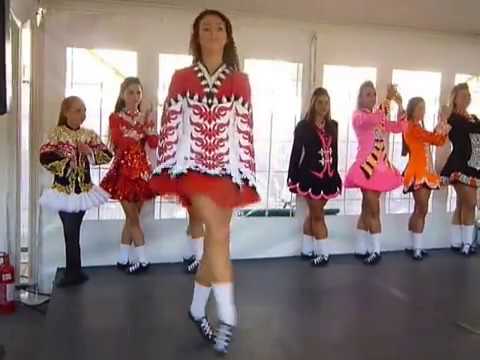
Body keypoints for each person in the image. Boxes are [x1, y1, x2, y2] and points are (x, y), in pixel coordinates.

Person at [149, 9, 259, 354]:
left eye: (219, 28)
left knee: (217, 241)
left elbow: (244, 131)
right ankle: (228, 315)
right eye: (205, 28)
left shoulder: (240, 80)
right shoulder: (181, 77)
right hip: (191, 168)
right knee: (219, 235)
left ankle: (197, 309)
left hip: (227, 172)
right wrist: (166, 168)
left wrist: (246, 174)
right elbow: (170, 123)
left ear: (228, 37)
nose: (212, 33)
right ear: (196, 36)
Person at [40, 96, 113, 287]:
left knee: (72, 232)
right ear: (66, 112)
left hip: (83, 192)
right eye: (78, 110)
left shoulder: (89, 134)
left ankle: (74, 272)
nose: (83, 114)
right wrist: (66, 163)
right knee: (70, 232)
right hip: (63, 192)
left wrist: (89, 151)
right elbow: (45, 156)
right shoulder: (55, 133)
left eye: (84, 110)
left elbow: (107, 155)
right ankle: (74, 271)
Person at [100, 77, 158, 274]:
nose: (135, 96)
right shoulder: (115, 117)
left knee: (131, 218)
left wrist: (149, 125)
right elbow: (120, 142)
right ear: (122, 94)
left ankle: (122, 259)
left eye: (138, 93)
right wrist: (139, 127)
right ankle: (143, 261)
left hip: (142, 174)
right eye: (131, 92)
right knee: (133, 218)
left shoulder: (144, 118)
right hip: (123, 173)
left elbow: (153, 144)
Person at [344, 82, 406, 265]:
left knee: (366, 208)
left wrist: (400, 104)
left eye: (373, 94)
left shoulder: (377, 116)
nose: (372, 97)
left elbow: (398, 127)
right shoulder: (358, 116)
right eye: (368, 94)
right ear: (360, 98)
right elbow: (374, 119)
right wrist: (387, 100)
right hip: (367, 169)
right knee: (373, 209)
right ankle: (376, 250)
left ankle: (360, 247)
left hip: (381, 168)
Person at [287, 87, 342, 266]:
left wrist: (336, 174)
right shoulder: (303, 127)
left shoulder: (333, 126)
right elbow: (296, 152)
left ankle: (306, 249)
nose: (324, 106)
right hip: (310, 177)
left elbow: (335, 153)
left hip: (328, 179)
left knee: (313, 214)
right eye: (320, 102)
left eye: (326, 102)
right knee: (318, 216)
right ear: (313, 103)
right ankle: (324, 253)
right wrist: (292, 175)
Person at [402, 97, 450, 260]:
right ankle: (416, 248)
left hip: (426, 173)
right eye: (419, 108)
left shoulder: (418, 127)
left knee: (420, 209)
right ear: (412, 110)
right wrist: (443, 121)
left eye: (424, 108)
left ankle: (413, 246)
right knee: (421, 209)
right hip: (418, 173)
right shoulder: (412, 127)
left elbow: (438, 141)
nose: (422, 111)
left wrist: (441, 125)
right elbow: (434, 138)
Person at [440, 83, 480, 256]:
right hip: (459, 164)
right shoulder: (453, 117)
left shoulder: (474, 118)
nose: (466, 97)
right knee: (470, 203)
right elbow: (444, 132)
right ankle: (466, 244)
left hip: (473, 165)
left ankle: (456, 241)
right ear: (455, 98)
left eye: (468, 94)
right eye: (462, 95)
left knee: (462, 203)